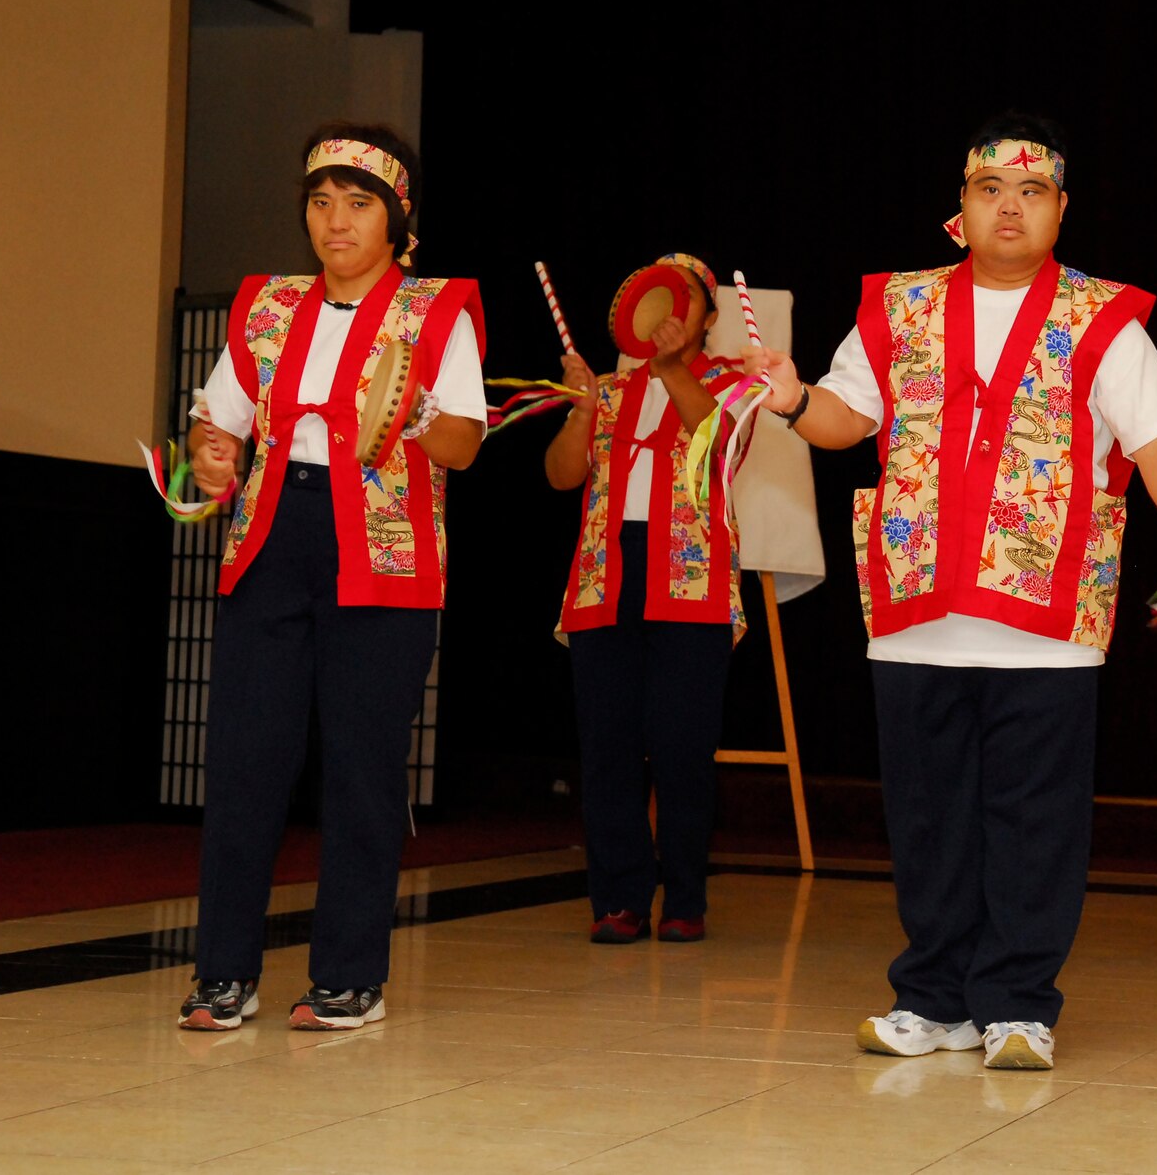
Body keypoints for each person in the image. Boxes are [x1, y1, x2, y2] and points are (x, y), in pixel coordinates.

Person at [745, 112, 1157, 1071]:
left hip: (1045, 617)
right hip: (915, 606)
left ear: (1061, 210)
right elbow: (850, 419)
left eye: (1032, 191)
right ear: (958, 211)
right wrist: (795, 398)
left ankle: (1017, 1002)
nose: (1009, 206)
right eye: (989, 190)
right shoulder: (898, 307)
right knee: (927, 818)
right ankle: (932, 997)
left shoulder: (1104, 317)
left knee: (1034, 819)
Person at [179, 123, 487, 1031]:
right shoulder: (266, 306)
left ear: (396, 218)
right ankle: (223, 974)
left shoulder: (436, 312)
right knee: (243, 762)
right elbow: (219, 422)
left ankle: (349, 975)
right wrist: (210, 454)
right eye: (320, 202)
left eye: (357, 204)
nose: (335, 221)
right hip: (273, 536)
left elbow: (463, 445)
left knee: (361, 769)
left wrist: (411, 404)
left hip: (382, 551)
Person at [546, 254, 749, 945]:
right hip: (607, 575)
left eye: (682, 299)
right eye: (653, 298)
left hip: (690, 580)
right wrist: (579, 413)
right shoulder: (606, 388)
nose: (664, 312)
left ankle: (685, 896)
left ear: (709, 318)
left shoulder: (731, 383)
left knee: (682, 744)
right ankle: (620, 899)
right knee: (607, 746)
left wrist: (669, 370)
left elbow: (718, 443)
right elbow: (561, 474)